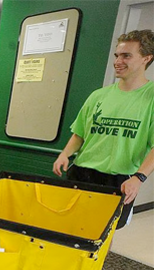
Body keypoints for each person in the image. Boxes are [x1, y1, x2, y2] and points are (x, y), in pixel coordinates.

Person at [53, 29, 154, 229]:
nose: (118, 61)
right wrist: (65, 154)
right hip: (81, 173)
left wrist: (139, 178)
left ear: (146, 59)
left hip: (118, 180)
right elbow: (80, 133)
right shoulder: (98, 96)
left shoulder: (150, 98)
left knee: (101, 234)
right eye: (117, 55)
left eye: (126, 56)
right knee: (68, 227)